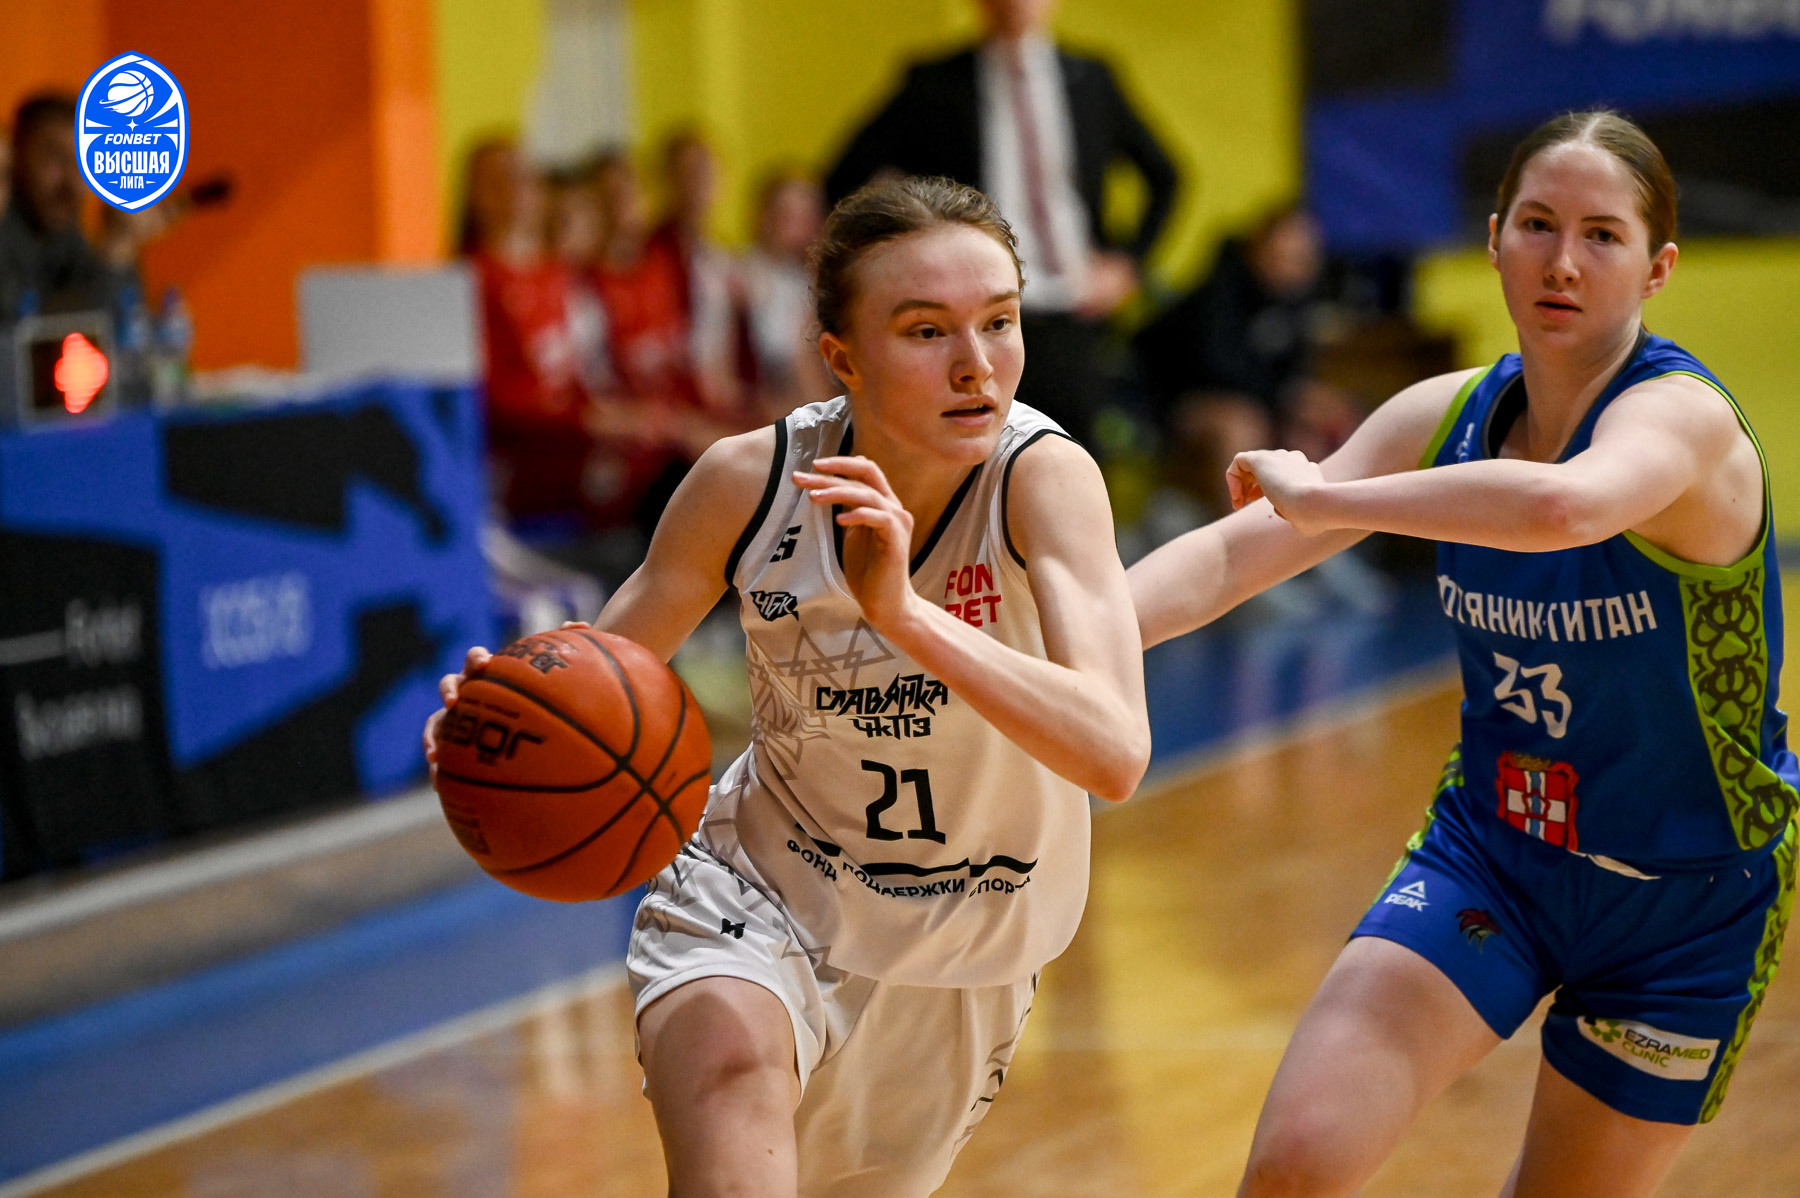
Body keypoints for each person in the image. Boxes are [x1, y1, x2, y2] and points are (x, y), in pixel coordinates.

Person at [427, 175, 1149, 1195]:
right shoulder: (748, 483)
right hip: (759, 894)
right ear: (842, 358)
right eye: (926, 331)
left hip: (967, 947)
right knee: (730, 1091)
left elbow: (1115, 751)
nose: (977, 364)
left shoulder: (1043, 479)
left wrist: (905, 615)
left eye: (999, 321)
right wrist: (506, 718)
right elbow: (602, 669)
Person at [1131, 111, 1797, 1197]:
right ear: (1494, 241)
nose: (1563, 261)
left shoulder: (1684, 420)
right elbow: (1223, 560)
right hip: (1496, 853)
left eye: (1602, 235)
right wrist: (1038, 649)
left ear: (1658, 267)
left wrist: (1330, 498)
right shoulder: (1443, 415)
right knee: (1295, 1165)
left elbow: (1563, 505)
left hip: (1686, 901)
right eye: (1537, 224)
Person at [825, 0, 1178, 446]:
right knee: (968, 454)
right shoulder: (934, 82)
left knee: (1073, 457)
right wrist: (906, 260)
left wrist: (1128, 264)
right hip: (967, 315)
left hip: (1072, 308)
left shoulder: (1091, 77)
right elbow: (844, 177)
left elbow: (1165, 175)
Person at [1136, 205, 1360, 515]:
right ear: (1258, 249)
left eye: (1303, 260)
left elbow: (1294, 371)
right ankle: (1245, 531)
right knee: (1242, 425)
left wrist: (1304, 403)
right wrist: (1286, 398)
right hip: (1175, 405)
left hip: (1260, 400)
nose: (1293, 269)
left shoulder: (1297, 302)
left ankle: (1318, 530)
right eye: (1283, 257)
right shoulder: (1218, 293)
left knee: (1321, 421)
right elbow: (1219, 372)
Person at [738, 168, 835, 418]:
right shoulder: (737, 276)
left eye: (807, 216)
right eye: (788, 215)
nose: (802, 227)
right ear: (763, 215)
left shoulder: (805, 284)